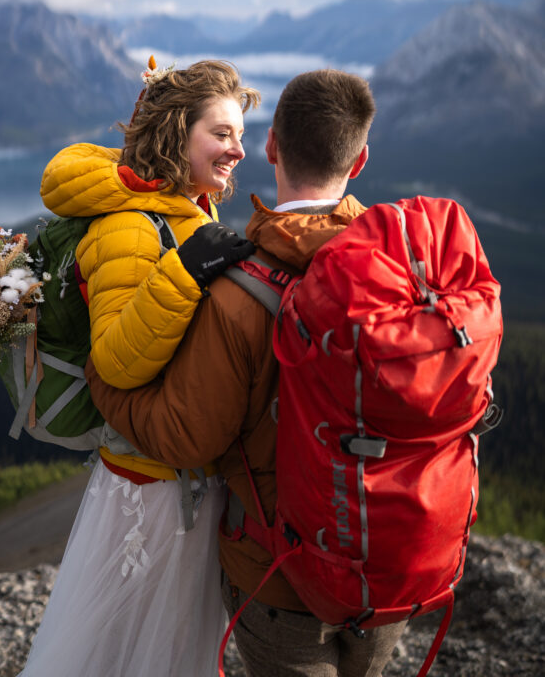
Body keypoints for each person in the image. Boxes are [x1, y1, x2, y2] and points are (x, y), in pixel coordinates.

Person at [87, 68, 408, 677]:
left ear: (271, 148)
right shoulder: (403, 268)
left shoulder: (239, 293)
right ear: (361, 160)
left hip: (283, 572)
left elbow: (188, 438)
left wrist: (104, 383)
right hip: (393, 558)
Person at [17, 59, 260, 677]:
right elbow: (118, 363)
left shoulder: (183, 211)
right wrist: (186, 272)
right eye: (222, 133)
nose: (239, 149)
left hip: (177, 482)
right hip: (149, 494)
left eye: (240, 134)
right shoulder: (129, 225)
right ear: (179, 133)